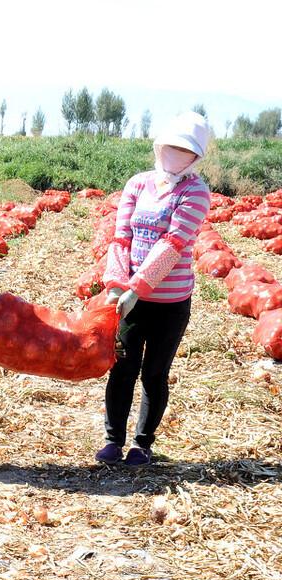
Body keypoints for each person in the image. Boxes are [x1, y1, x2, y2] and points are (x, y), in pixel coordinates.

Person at [96, 112, 212, 467]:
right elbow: (121, 236)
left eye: (184, 149)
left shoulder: (195, 191)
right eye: (171, 146)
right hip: (130, 301)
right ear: (159, 146)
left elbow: (174, 243)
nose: (175, 153)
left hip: (170, 301)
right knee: (122, 367)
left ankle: (142, 444)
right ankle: (113, 439)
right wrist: (117, 285)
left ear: (195, 156)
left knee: (155, 372)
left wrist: (138, 288)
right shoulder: (138, 183)